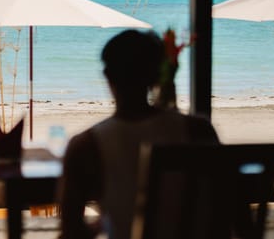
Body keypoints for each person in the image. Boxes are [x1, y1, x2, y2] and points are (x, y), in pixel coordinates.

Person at [59, 29, 220, 239]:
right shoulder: (198, 130)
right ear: (155, 75)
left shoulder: (87, 145)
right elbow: (227, 207)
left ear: (108, 76)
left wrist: (102, 226)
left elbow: (71, 232)